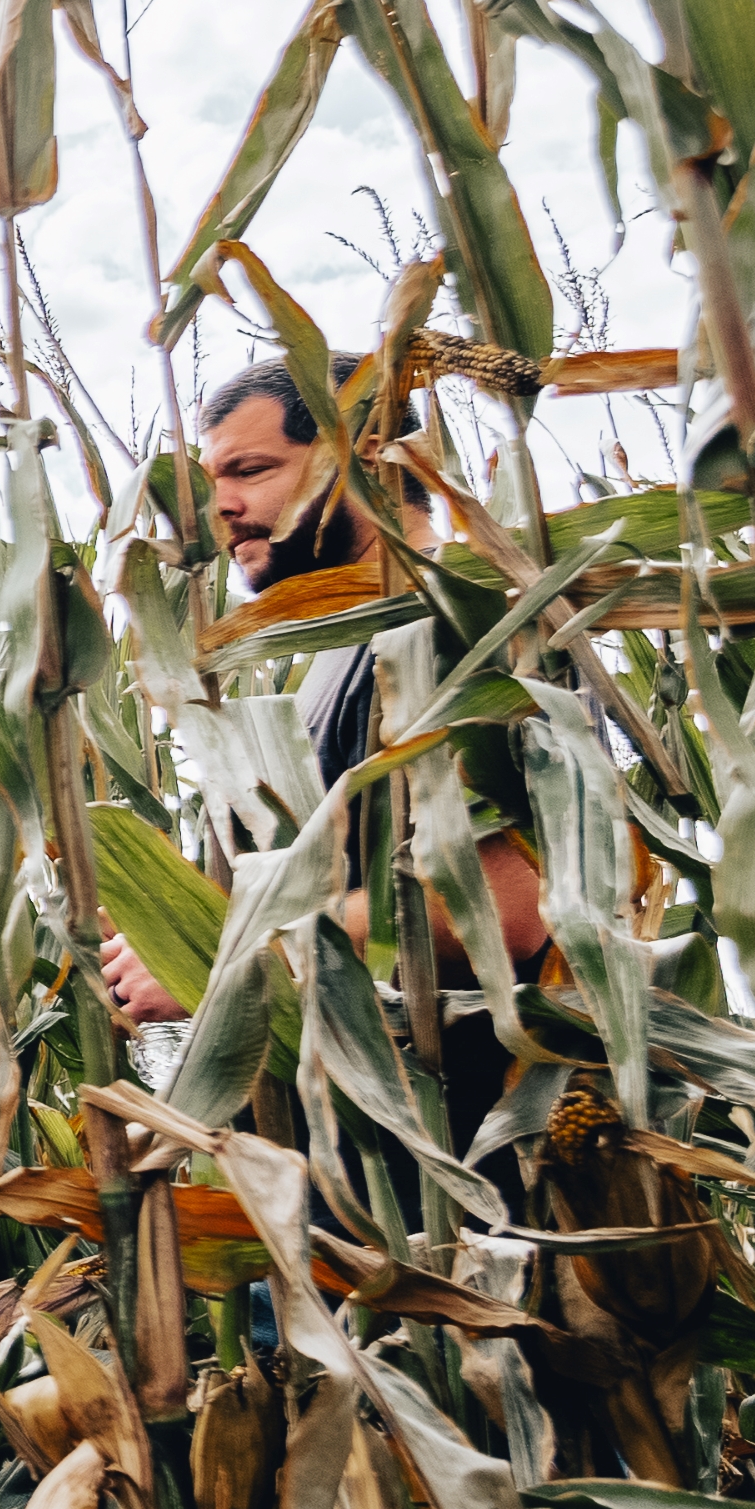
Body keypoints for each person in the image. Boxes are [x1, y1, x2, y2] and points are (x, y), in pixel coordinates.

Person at [94, 360, 550, 1163]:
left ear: (368, 458)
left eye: (252, 470)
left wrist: (213, 959)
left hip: (458, 1201)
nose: (221, 505)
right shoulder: (332, 665)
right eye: (212, 480)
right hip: (333, 1196)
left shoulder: (454, 625)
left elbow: (503, 908)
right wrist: (168, 924)